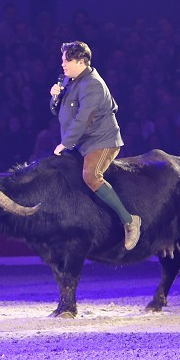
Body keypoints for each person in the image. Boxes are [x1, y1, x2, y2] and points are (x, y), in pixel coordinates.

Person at [49, 40, 141, 250]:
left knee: (90, 176)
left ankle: (129, 221)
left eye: (66, 61)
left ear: (81, 62)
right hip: (81, 143)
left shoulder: (92, 84)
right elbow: (59, 111)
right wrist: (55, 97)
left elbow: (83, 118)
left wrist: (65, 143)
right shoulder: (70, 80)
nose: (62, 65)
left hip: (101, 141)